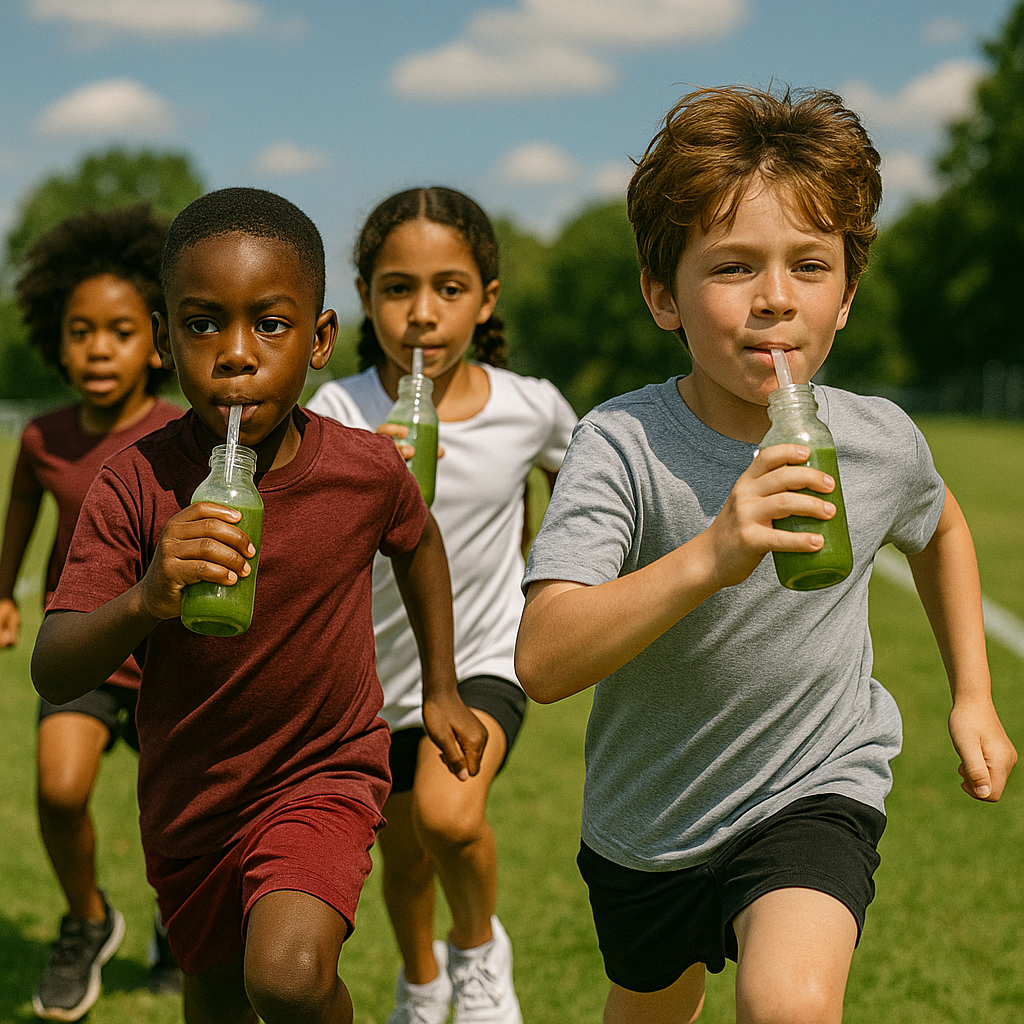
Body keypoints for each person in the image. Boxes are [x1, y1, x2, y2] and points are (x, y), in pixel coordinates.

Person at [515, 86, 1017, 1024]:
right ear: (663, 294)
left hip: (816, 782)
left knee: (787, 1004)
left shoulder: (879, 441)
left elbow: (940, 525)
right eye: (734, 267)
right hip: (651, 820)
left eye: (810, 266)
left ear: (848, 293)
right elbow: (543, 658)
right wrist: (713, 552)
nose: (776, 299)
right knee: (651, 1006)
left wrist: (974, 696)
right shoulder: (620, 445)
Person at [30, 186, 486, 1024]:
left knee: (286, 977)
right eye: (202, 324)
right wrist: (148, 598)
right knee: (216, 997)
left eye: (269, 325)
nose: (235, 354)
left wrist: (444, 686)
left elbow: (418, 544)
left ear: (318, 341)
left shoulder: (363, 471)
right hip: (193, 796)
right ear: (167, 340)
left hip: (324, 771)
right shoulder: (134, 483)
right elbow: (55, 667)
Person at [307, 186, 577, 1024]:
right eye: (398, 289)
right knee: (407, 852)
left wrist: (563, 594)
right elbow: (300, 555)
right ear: (366, 298)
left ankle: (478, 958)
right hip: (367, 679)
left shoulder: (530, 408)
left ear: (486, 299)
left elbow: (593, 503)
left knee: (449, 818)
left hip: (485, 660)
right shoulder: (331, 412)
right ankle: (420, 985)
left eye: (449, 289)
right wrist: (352, 478)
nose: (423, 314)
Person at [0, 204, 183, 1020]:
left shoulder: (183, 431)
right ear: (56, 336)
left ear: (156, 340)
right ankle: (88, 920)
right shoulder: (42, 439)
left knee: (179, 811)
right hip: (80, 646)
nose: (97, 348)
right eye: (81, 331)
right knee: (60, 788)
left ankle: (179, 927)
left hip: (171, 650)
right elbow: (18, 534)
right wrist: (3, 595)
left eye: (117, 330)